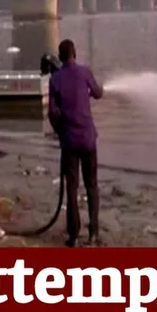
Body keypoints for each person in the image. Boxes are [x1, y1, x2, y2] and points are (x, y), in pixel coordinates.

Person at [47, 39, 104, 247]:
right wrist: (97, 89)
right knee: (92, 186)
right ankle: (94, 233)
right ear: (75, 54)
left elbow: (52, 113)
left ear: (61, 58)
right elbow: (98, 93)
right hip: (88, 139)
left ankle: (73, 235)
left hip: (69, 141)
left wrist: (61, 132)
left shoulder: (55, 80)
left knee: (72, 188)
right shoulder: (85, 72)